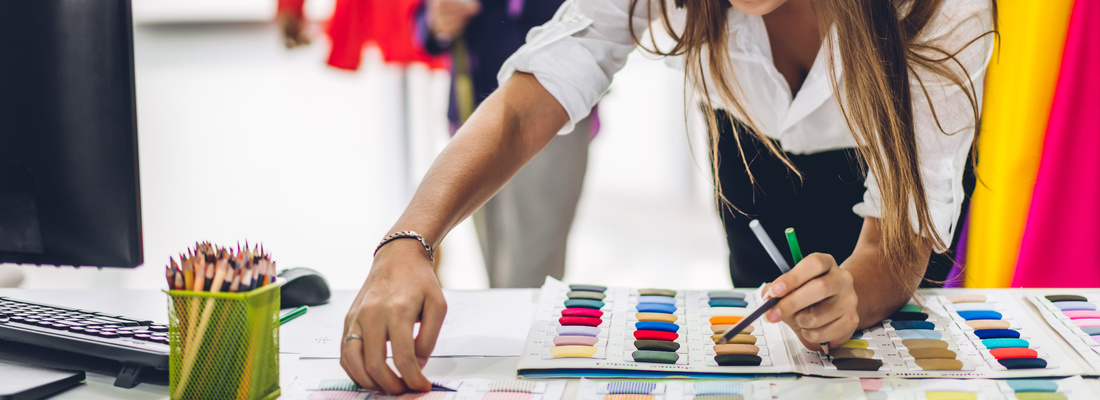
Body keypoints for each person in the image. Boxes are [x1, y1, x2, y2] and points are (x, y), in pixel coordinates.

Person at [339, 0, 995, 393]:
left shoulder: (942, 9)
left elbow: (898, 237)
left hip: (889, 249)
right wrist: (408, 241)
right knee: (767, 361)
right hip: (755, 182)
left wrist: (853, 292)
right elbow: (526, 105)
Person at [415, 0, 596, 288]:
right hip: (474, 102)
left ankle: (527, 332)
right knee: (497, 272)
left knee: (529, 276)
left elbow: (601, 19)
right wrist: (436, 18)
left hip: (551, 106)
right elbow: (423, 18)